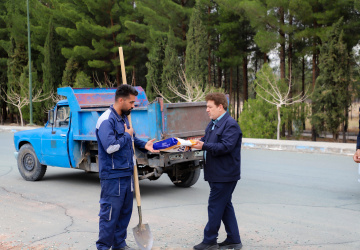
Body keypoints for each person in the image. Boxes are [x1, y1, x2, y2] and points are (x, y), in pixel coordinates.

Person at [95, 85, 157, 250]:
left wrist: (146, 146)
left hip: (127, 173)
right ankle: (103, 246)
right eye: (131, 102)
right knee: (109, 214)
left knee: (124, 212)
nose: (133, 106)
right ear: (120, 100)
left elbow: (132, 139)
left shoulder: (123, 117)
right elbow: (110, 147)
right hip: (112, 175)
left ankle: (119, 244)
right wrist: (126, 135)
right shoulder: (106, 120)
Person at [192, 93, 243, 250]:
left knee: (215, 206)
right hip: (217, 173)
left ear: (220, 107)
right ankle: (234, 240)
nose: (207, 110)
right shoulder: (214, 123)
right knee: (225, 205)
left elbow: (225, 146)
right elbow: (208, 139)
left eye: (210, 107)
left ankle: (209, 241)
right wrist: (196, 142)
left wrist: (204, 146)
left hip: (225, 175)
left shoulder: (230, 124)